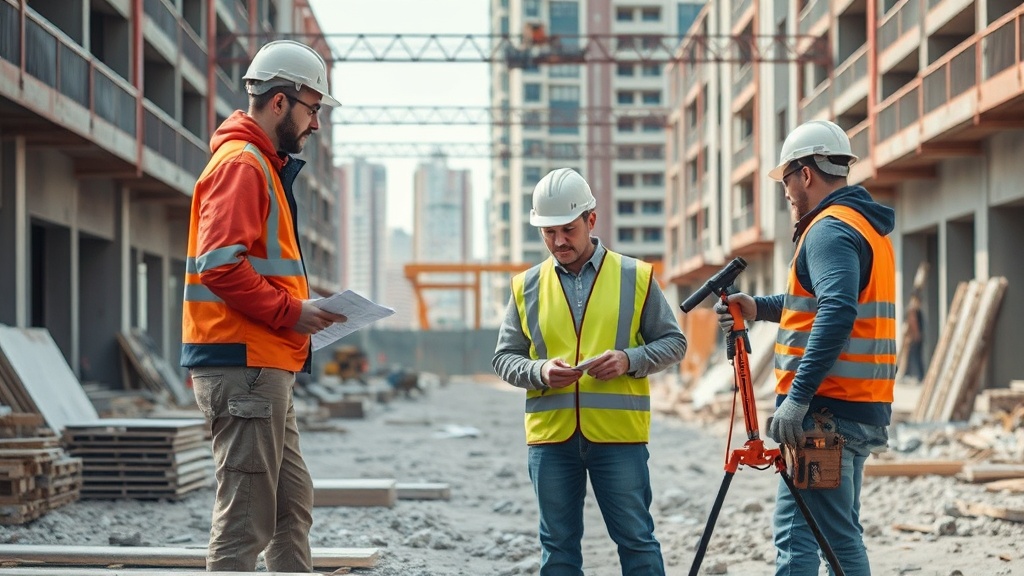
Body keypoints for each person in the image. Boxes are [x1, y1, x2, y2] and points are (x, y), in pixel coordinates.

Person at [181, 40, 347, 572]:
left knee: (290, 507)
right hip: (243, 363)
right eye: (313, 109)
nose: (315, 126)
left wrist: (296, 315)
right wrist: (292, 313)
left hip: (265, 361)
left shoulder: (261, 165)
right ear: (281, 102)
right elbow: (220, 266)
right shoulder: (243, 165)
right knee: (246, 520)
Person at [715, 120, 895, 576]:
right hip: (853, 410)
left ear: (807, 174)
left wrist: (797, 399)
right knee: (823, 535)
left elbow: (837, 311)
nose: (787, 192)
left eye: (788, 180)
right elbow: (813, 305)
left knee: (817, 539)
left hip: (824, 413)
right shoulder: (862, 227)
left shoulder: (828, 231)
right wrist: (756, 306)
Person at [492, 168, 687, 576]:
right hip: (551, 439)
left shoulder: (635, 276)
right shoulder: (526, 286)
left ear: (591, 220)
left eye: (568, 229)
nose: (559, 241)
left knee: (636, 540)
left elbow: (674, 343)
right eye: (548, 232)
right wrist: (540, 370)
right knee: (558, 549)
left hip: (619, 438)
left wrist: (628, 360)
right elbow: (505, 357)